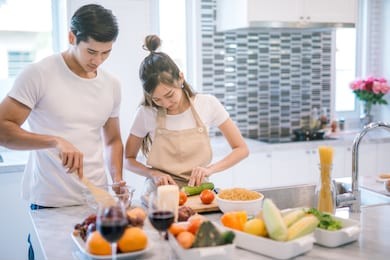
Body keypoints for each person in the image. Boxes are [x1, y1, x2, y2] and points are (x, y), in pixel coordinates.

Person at [0, 4, 124, 209]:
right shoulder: (39, 74)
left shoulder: (112, 84)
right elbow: (2, 130)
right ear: (71, 38)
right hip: (51, 201)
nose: (98, 61)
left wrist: (117, 178)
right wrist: (56, 141)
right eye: (91, 51)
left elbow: (112, 140)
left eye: (106, 53)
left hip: (97, 198)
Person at [125, 35, 249, 194]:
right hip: (159, 194)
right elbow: (128, 159)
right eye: (157, 99)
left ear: (181, 78)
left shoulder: (207, 104)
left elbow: (241, 149)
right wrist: (153, 173)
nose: (166, 104)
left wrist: (210, 170)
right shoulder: (146, 113)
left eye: (169, 95)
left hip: (198, 192)